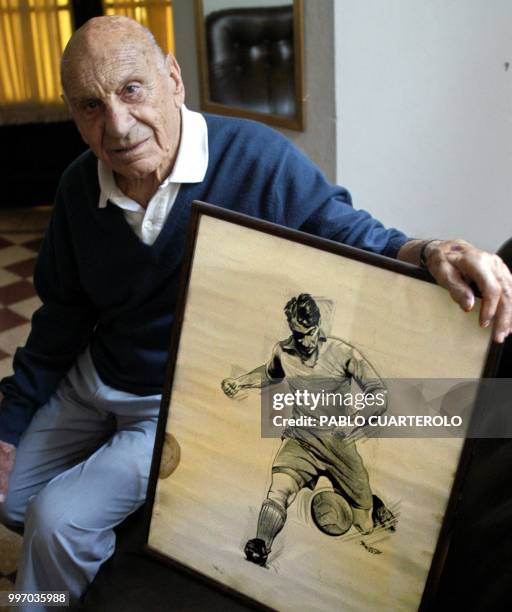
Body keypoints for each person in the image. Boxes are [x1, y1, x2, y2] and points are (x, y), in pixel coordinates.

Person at [0, 14, 510, 607]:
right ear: (72, 112)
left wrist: (431, 250)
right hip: (97, 375)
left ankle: (45, 601)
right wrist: (9, 425)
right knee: (12, 500)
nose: (116, 125)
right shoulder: (73, 188)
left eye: (132, 89)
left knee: (57, 520)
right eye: (90, 105)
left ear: (173, 79)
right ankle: (113, 533)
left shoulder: (257, 158)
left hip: (170, 398)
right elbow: (60, 316)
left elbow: (346, 230)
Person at [221, 293, 397, 566]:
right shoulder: (283, 351)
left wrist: (358, 419)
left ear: (318, 327)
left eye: (310, 333)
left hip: (339, 444)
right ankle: (260, 546)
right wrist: (240, 381)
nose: (304, 342)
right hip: (300, 439)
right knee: (278, 490)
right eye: (298, 334)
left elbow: (379, 393)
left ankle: (370, 506)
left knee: (363, 524)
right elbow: (270, 374)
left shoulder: (342, 353)